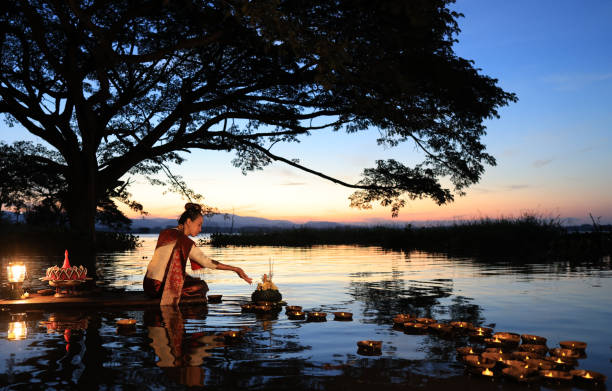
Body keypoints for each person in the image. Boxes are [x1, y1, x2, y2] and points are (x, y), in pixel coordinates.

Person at [143, 203, 252, 306]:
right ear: (189, 222)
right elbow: (207, 262)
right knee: (202, 286)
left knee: (193, 279)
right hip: (160, 288)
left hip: (148, 284)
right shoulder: (186, 242)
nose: (200, 229)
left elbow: (164, 265)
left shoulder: (166, 233)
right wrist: (236, 269)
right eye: (199, 225)